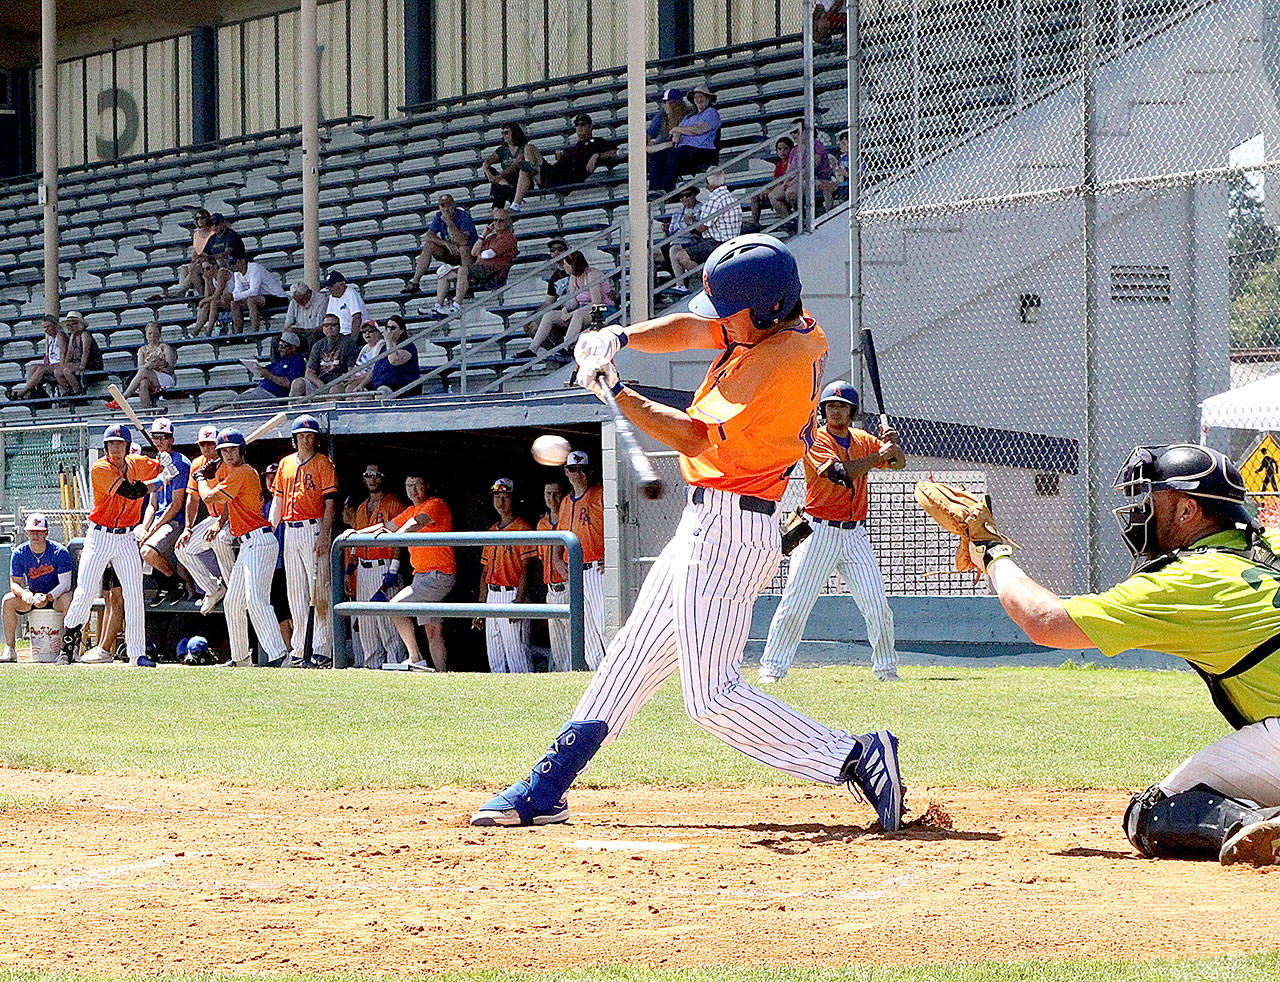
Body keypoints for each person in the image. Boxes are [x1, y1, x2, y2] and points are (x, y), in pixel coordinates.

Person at [470, 233, 904, 831]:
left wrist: (617, 390)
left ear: (765, 310)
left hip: (732, 528)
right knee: (633, 653)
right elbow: (692, 329)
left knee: (711, 697)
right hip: (711, 519)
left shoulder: (778, 365)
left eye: (732, 314)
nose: (722, 323)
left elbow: (696, 437)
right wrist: (617, 338)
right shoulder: (786, 322)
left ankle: (856, 756)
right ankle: (551, 781)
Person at [953, 444, 1280, 868]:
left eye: (1152, 499)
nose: (1141, 511)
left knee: (1150, 813)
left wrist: (991, 553)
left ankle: (1255, 824)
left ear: (1187, 511)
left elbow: (1044, 620)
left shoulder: (1182, 582)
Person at [758, 381, 904, 685]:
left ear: (851, 412)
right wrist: (880, 456)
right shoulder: (815, 441)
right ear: (823, 411)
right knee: (796, 604)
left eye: (842, 407)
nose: (835, 411)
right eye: (830, 406)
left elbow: (898, 464)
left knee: (877, 605)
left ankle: (887, 669)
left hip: (854, 536)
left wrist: (892, 446)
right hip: (818, 531)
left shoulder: (863, 440)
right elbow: (840, 474)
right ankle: (772, 668)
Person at [61, 424, 176, 668]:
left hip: (126, 537)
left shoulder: (136, 463)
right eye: (111, 444)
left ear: (126, 447)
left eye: (119, 444)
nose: (115, 448)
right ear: (105, 447)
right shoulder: (100, 468)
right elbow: (131, 492)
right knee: (85, 590)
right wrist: (161, 480)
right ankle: (67, 647)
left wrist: (166, 460)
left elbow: (162, 464)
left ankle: (137, 654)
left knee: (134, 593)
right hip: (100, 536)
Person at [194, 428, 288, 667]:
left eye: (232, 449)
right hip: (247, 544)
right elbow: (224, 487)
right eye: (223, 451)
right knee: (232, 602)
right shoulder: (232, 470)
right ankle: (240, 658)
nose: (227, 454)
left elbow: (209, 497)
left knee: (256, 600)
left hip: (259, 541)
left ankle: (278, 656)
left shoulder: (244, 472)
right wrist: (212, 467)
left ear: (242, 450)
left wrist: (201, 478)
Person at [347, 473, 455, 671]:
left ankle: (415, 657)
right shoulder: (411, 509)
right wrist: (355, 533)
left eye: (417, 485)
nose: (413, 490)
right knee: (433, 629)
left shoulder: (436, 504)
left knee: (394, 606)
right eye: (409, 485)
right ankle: (442, 674)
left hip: (437, 575)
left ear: (427, 486)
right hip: (421, 575)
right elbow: (386, 526)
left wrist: (392, 536)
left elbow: (414, 525)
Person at [270, 414, 338, 669]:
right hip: (290, 529)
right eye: (301, 435)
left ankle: (322, 649)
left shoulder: (324, 463)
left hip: (314, 526)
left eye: (310, 436)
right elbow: (277, 501)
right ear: (294, 439)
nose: (306, 440)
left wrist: (325, 534)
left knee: (319, 591)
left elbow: (330, 502)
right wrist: (270, 527)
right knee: (296, 593)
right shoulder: (285, 463)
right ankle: (299, 649)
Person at [347, 464, 408, 669]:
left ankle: (395, 664)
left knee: (387, 623)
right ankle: (372, 667)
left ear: (382, 478)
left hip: (385, 567)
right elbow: (355, 542)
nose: (371, 479)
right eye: (367, 475)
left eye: (376, 475)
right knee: (366, 624)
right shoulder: (362, 506)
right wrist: (350, 571)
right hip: (364, 569)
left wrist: (393, 569)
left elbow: (398, 539)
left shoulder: (394, 503)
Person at [475, 478, 536, 674]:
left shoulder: (523, 527)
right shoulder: (492, 530)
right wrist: (481, 607)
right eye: (497, 497)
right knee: (496, 659)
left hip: (512, 594)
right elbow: (485, 572)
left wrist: (519, 601)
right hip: (493, 595)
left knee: (518, 656)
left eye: (505, 497)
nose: (500, 502)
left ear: (513, 499)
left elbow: (527, 568)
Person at [175, 424, 236, 615]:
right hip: (213, 516)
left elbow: (229, 498)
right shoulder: (198, 464)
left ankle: (234, 589)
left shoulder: (229, 462)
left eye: (211, 444)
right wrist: (188, 528)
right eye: (203, 445)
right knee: (182, 548)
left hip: (234, 516)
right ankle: (213, 589)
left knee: (220, 541)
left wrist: (219, 524)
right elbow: (192, 499)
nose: (207, 449)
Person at [136, 417, 195, 605]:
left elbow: (176, 504)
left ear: (172, 440)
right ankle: (164, 585)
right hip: (158, 520)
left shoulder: (180, 463)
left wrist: (152, 530)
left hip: (174, 520)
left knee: (147, 551)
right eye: (156, 437)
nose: (160, 441)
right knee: (132, 543)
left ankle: (175, 583)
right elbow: (152, 504)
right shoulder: (156, 463)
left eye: (164, 437)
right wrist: (145, 528)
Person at [2, 513, 73, 663]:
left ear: (46, 532)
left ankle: (67, 648)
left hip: (55, 597)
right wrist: (24, 594)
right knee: (8, 600)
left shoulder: (59, 552)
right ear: (26, 531)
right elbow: (14, 582)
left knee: (68, 598)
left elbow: (65, 584)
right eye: (32, 531)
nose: (35, 535)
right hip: (32, 597)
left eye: (39, 531)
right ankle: (10, 649)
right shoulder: (19, 553)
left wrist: (48, 596)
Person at [558, 451, 607, 669]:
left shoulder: (600, 494)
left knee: (604, 625)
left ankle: (617, 673)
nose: (578, 474)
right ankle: (595, 675)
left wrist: (612, 557)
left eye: (582, 469)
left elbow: (616, 526)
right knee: (585, 629)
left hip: (597, 570)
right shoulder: (565, 503)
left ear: (590, 470)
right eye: (573, 469)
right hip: (575, 572)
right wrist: (558, 560)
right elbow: (560, 536)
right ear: (566, 472)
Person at [523, 251, 617, 357]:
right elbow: (574, 303)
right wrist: (565, 311)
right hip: (582, 310)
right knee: (550, 315)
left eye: (566, 264)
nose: (564, 266)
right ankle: (532, 349)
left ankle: (566, 347)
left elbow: (596, 303)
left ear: (573, 265)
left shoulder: (592, 275)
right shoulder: (573, 277)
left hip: (602, 310)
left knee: (578, 315)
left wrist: (571, 314)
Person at [430, 208, 518, 317]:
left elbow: (488, 255)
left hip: (493, 270)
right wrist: (483, 235)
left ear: (508, 222)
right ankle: (438, 306)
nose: (497, 223)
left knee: (463, 269)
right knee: (444, 274)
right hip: (480, 267)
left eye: (501, 220)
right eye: (495, 220)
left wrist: (480, 254)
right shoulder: (491, 237)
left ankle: (457, 305)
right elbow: (474, 252)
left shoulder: (508, 238)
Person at [669, 169, 742, 279]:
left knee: (681, 256)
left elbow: (701, 228)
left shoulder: (714, 199)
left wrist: (690, 222)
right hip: (732, 240)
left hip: (717, 242)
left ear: (709, 183)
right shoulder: (732, 197)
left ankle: (709, 279)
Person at [648, 85, 721, 193]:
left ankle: (668, 189)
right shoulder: (689, 117)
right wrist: (676, 134)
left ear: (708, 99)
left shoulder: (711, 113)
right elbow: (676, 136)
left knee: (674, 154)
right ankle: (655, 189)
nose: (699, 100)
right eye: (697, 97)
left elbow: (698, 130)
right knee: (657, 155)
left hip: (702, 151)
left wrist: (677, 129)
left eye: (702, 97)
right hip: (685, 150)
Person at [404, 194, 479, 295]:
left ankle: (468, 280)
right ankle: (415, 282)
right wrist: (445, 243)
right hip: (452, 252)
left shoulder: (463, 217)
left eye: (448, 205)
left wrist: (449, 223)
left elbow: (463, 241)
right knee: (429, 245)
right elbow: (429, 235)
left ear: (453, 205)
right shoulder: (439, 216)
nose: (446, 209)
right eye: (443, 206)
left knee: (463, 248)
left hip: (469, 255)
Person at [536, 478, 571, 672]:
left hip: (567, 587)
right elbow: (542, 558)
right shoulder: (542, 524)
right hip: (551, 589)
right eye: (548, 493)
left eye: (556, 493)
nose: (552, 498)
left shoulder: (570, 517)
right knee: (557, 647)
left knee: (572, 640)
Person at [768, 120, 834, 220]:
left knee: (791, 193)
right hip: (795, 181)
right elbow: (789, 171)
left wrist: (795, 180)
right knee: (773, 196)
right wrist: (786, 182)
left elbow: (812, 167)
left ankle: (801, 218)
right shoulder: (794, 150)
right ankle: (790, 221)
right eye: (792, 132)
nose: (793, 134)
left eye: (796, 131)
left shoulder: (816, 144)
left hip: (813, 179)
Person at [539, 113, 618, 190]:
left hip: (564, 179)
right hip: (553, 175)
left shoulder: (596, 142)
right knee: (529, 161)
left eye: (583, 124)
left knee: (530, 152)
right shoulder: (572, 148)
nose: (579, 127)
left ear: (590, 127)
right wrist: (560, 158)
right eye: (577, 124)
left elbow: (616, 152)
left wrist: (597, 155)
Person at [290, 313, 357, 396]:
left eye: (333, 325)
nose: (330, 328)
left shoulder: (348, 343)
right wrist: (321, 385)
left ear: (339, 327)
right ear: (323, 328)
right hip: (320, 383)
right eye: (326, 325)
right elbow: (309, 373)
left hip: (339, 383)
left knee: (334, 390)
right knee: (297, 383)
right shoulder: (318, 345)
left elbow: (351, 370)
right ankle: (292, 408)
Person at [114, 321, 176, 409]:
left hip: (164, 378)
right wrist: (149, 364)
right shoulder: (142, 350)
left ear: (159, 334)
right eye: (150, 333)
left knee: (144, 372)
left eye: (155, 333)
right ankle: (147, 412)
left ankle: (123, 398)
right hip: (148, 376)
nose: (152, 336)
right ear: (146, 334)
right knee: (143, 383)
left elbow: (170, 369)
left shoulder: (165, 348)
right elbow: (141, 368)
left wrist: (162, 363)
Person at [483, 121, 542, 212]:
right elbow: (487, 162)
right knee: (494, 175)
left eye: (506, 133)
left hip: (521, 180)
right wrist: (489, 175)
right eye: (502, 133)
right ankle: (503, 191)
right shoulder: (502, 149)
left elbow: (514, 165)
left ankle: (496, 209)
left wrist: (498, 178)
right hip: (506, 180)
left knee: (498, 187)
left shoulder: (524, 148)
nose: (504, 135)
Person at [228, 251, 289, 333]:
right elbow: (237, 291)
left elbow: (254, 291)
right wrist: (232, 296)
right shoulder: (237, 274)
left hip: (278, 297)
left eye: (234, 262)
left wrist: (234, 296)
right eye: (230, 263)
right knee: (234, 303)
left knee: (251, 300)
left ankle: (255, 332)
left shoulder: (254, 268)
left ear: (242, 260)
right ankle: (238, 334)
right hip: (261, 299)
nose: (232, 266)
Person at [238, 331, 306, 401]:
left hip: (273, 394)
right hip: (262, 390)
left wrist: (267, 374)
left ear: (293, 348)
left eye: (283, 346)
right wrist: (254, 365)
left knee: (238, 402)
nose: (279, 349)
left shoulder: (297, 362)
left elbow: (287, 383)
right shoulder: (281, 360)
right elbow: (265, 370)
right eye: (279, 346)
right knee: (235, 400)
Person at [11, 314, 65, 400]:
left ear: (55, 325)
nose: (46, 329)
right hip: (53, 363)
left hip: (60, 363)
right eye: (44, 327)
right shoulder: (49, 338)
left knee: (41, 369)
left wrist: (60, 366)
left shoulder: (60, 335)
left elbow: (63, 353)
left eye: (48, 326)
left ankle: (23, 392)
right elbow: (48, 354)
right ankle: (29, 392)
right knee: (33, 367)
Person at [655, 187, 700, 282]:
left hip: (693, 241)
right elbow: (672, 230)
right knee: (650, 252)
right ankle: (650, 288)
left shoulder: (702, 208)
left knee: (674, 249)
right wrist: (667, 230)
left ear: (694, 194)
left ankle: (680, 285)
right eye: (681, 196)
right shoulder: (678, 211)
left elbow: (699, 229)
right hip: (676, 240)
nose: (684, 198)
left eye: (688, 195)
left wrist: (684, 225)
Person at [749, 136, 795, 227]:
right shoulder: (779, 165)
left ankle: (788, 221)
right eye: (780, 149)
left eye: (786, 149)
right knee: (755, 197)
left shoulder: (792, 162)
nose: (782, 152)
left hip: (786, 187)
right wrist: (768, 189)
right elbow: (775, 180)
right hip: (777, 187)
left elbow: (787, 180)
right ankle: (755, 223)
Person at [369, 315, 420, 396]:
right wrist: (360, 385)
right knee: (355, 395)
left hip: (399, 386)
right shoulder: (383, 348)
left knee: (381, 394)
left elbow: (394, 360)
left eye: (393, 328)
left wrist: (388, 341)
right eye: (387, 328)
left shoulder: (408, 346)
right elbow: (373, 369)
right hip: (378, 384)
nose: (389, 331)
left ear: (401, 330)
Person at [55, 312, 100, 397]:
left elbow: (86, 351)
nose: (71, 327)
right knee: (57, 371)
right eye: (69, 325)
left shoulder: (85, 334)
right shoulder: (73, 336)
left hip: (90, 363)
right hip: (76, 362)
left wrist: (82, 366)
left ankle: (78, 391)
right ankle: (68, 390)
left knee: (67, 371)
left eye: (74, 324)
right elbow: (70, 351)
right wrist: (64, 364)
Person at [343, 319, 388, 392]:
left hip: (370, 379)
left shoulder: (381, 345)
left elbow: (375, 369)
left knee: (350, 389)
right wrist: (351, 377)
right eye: (364, 332)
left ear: (378, 332)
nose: (367, 333)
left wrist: (355, 379)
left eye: (370, 331)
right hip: (358, 378)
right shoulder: (365, 347)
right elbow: (356, 367)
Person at [284, 280, 329, 349]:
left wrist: (304, 331)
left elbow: (322, 327)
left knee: (312, 337)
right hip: (300, 336)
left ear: (308, 293)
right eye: (296, 300)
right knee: (278, 340)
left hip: (317, 335)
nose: (299, 302)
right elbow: (287, 326)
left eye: (301, 299)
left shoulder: (321, 300)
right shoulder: (294, 302)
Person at [322, 271, 367, 336]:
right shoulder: (332, 297)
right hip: (337, 335)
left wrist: (352, 340)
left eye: (331, 286)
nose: (329, 289)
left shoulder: (350, 293)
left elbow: (357, 318)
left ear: (342, 284)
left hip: (350, 333)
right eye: (328, 287)